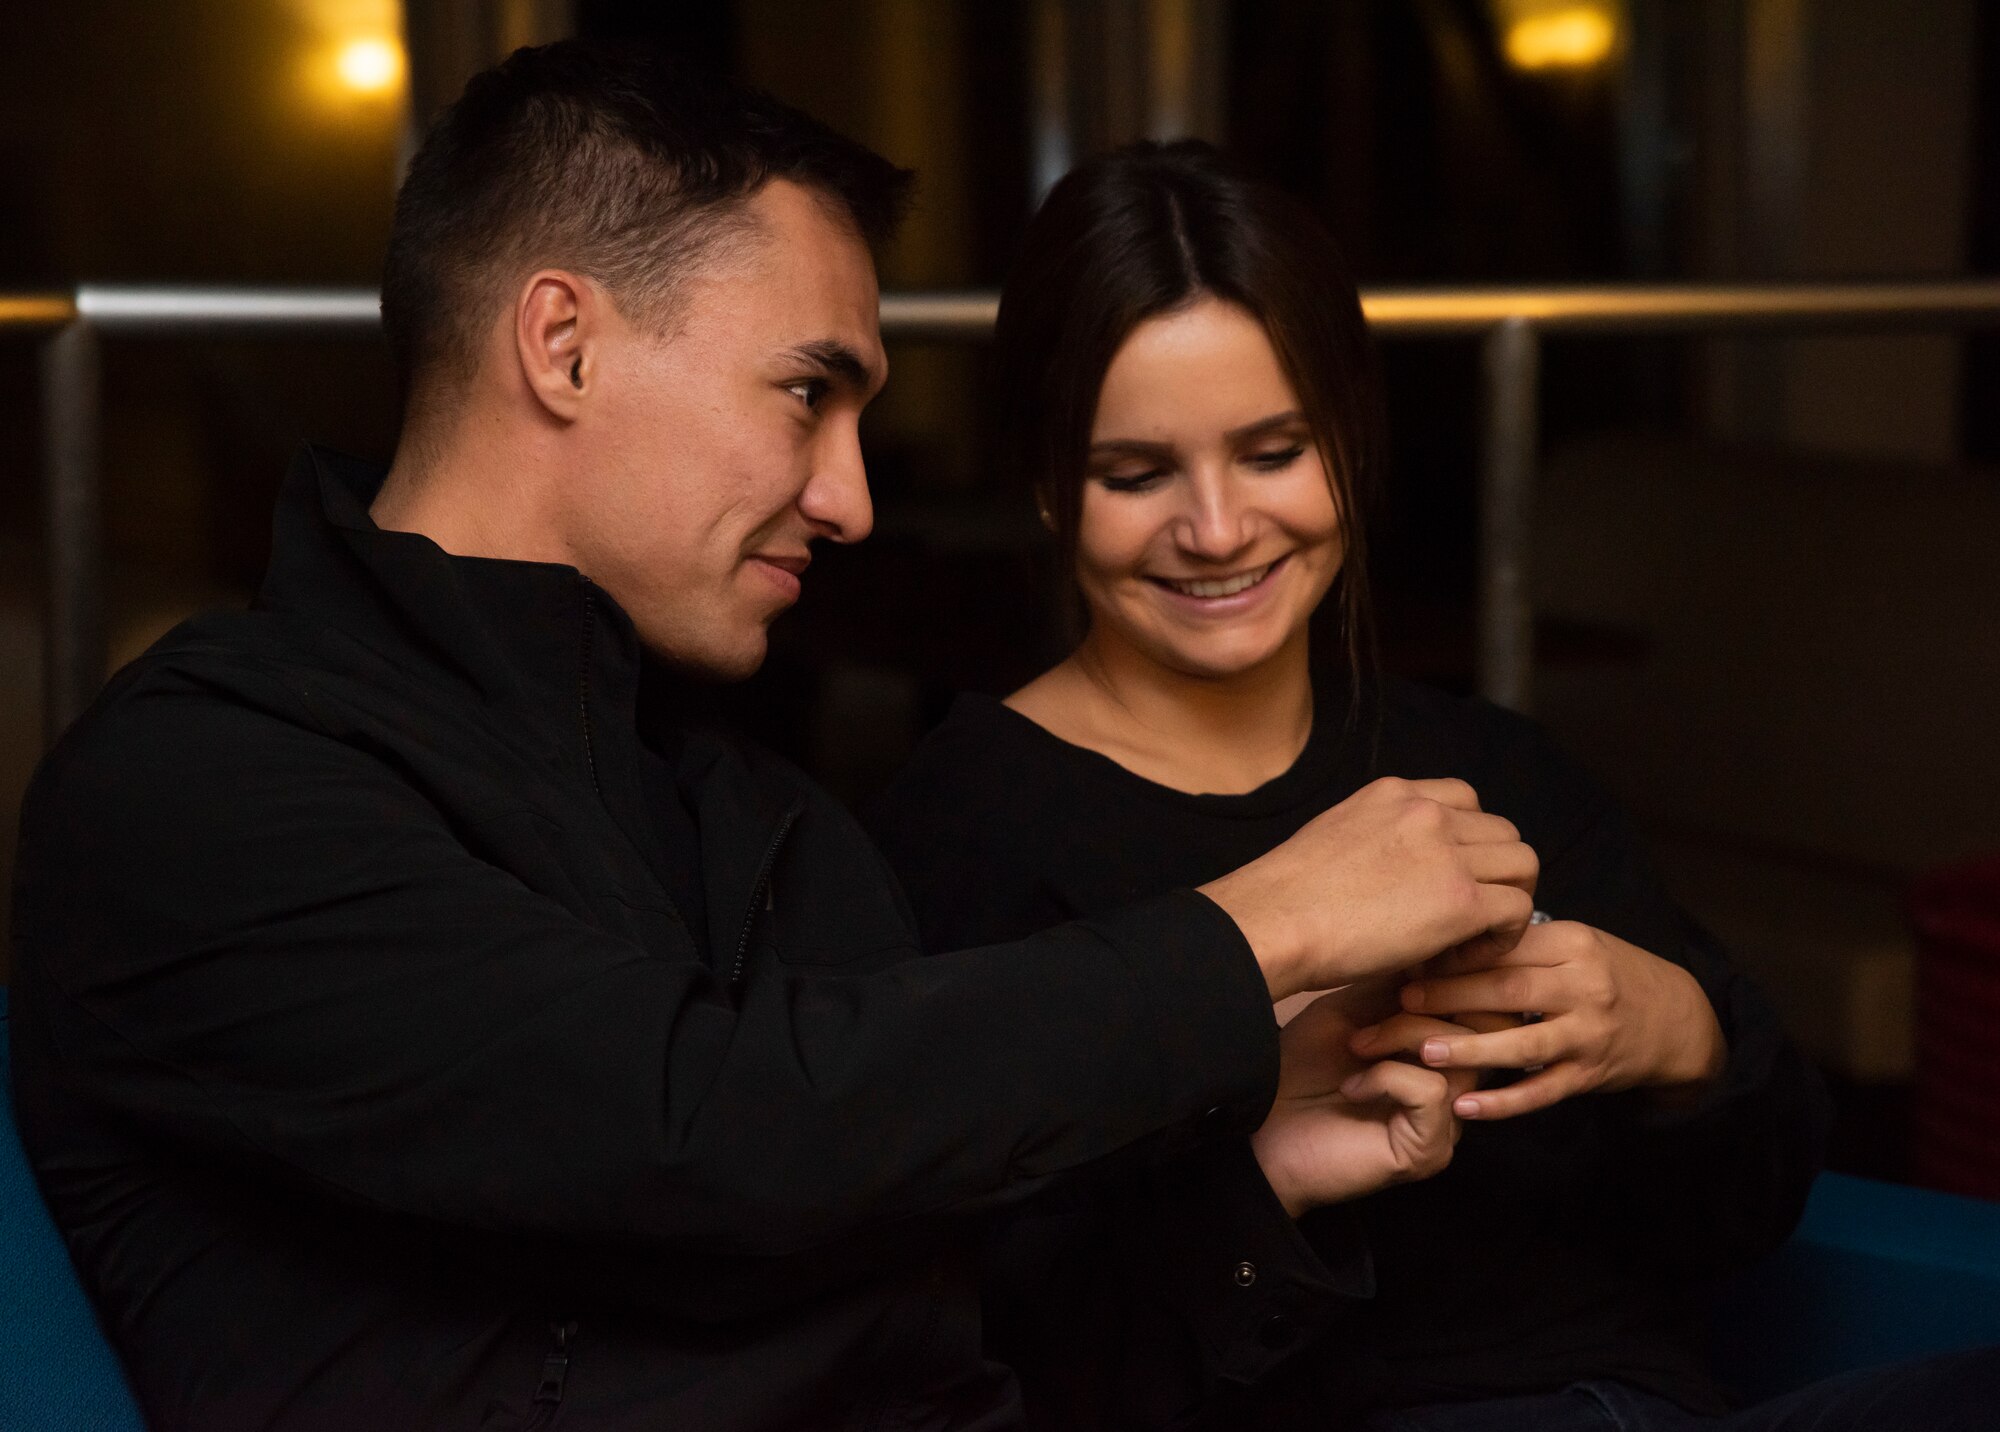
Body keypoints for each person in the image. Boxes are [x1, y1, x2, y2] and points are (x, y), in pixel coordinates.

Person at [6, 48, 1544, 1432]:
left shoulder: (762, 820)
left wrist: (1254, 1179)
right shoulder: (203, 780)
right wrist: (1260, 928)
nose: (851, 499)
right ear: (564, 344)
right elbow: (694, 1129)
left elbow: (967, 1337)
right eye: (808, 393)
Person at [866, 140, 1996, 1430]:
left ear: (1348, 443)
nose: (1221, 528)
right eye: (1138, 475)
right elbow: (977, 1351)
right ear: (1048, 493)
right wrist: (1258, 1183)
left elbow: (1736, 1220)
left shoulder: (1483, 767)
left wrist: (1679, 1038)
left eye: (1276, 451)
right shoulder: (961, 832)